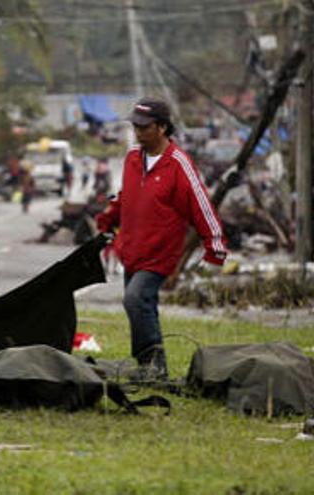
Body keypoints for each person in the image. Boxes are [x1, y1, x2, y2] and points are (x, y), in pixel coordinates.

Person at [96, 98, 227, 381]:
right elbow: (126, 195)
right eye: (135, 126)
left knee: (135, 299)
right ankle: (151, 367)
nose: (138, 132)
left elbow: (201, 204)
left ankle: (153, 365)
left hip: (160, 253)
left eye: (145, 127)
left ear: (163, 127)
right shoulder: (132, 157)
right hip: (132, 248)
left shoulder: (178, 163)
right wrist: (108, 216)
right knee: (140, 303)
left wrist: (214, 248)